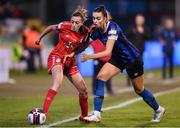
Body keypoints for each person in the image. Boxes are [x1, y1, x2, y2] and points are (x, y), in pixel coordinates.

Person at [80, 5, 165, 123]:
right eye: (94, 18)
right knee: (100, 77)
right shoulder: (96, 31)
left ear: (105, 19)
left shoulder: (113, 28)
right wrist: (70, 51)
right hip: (118, 59)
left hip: (132, 59)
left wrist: (89, 56)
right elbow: (83, 44)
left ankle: (158, 109)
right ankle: (97, 114)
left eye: (98, 18)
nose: (95, 21)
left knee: (139, 89)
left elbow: (107, 51)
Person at [35, 6, 89, 121]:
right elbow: (50, 27)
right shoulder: (65, 26)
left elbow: (83, 47)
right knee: (58, 81)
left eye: (77, 22)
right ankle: (44, 113)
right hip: (57, 56)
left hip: (70, 61)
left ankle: (84, 116)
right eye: (72, 21)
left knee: (83, 90)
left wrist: (73, 53)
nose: (73, 24)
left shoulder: (85, 33)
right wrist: (40, 38)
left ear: (82, 23)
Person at [126, 14, 150, 86]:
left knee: (139, 66)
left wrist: (142, 32)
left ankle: (139, 81)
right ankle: (129, 81)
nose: (138, 21)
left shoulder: (145, 28)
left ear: (143, 20)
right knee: (130, 66)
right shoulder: (132, 27)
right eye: (137, 19)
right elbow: (126, 35)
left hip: (141, 51)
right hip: (132, 51)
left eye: (140, 19)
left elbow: (148, 37)